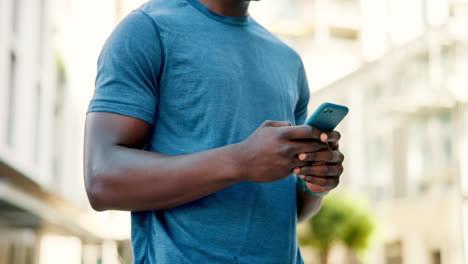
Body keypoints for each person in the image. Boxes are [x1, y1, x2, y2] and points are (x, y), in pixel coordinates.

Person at [83, 0, 344, 263]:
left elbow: (292, 209)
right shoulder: (147, 29)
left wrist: (316, 182)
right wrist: (240, 161)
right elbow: (102, 180)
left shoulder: (288, 60)